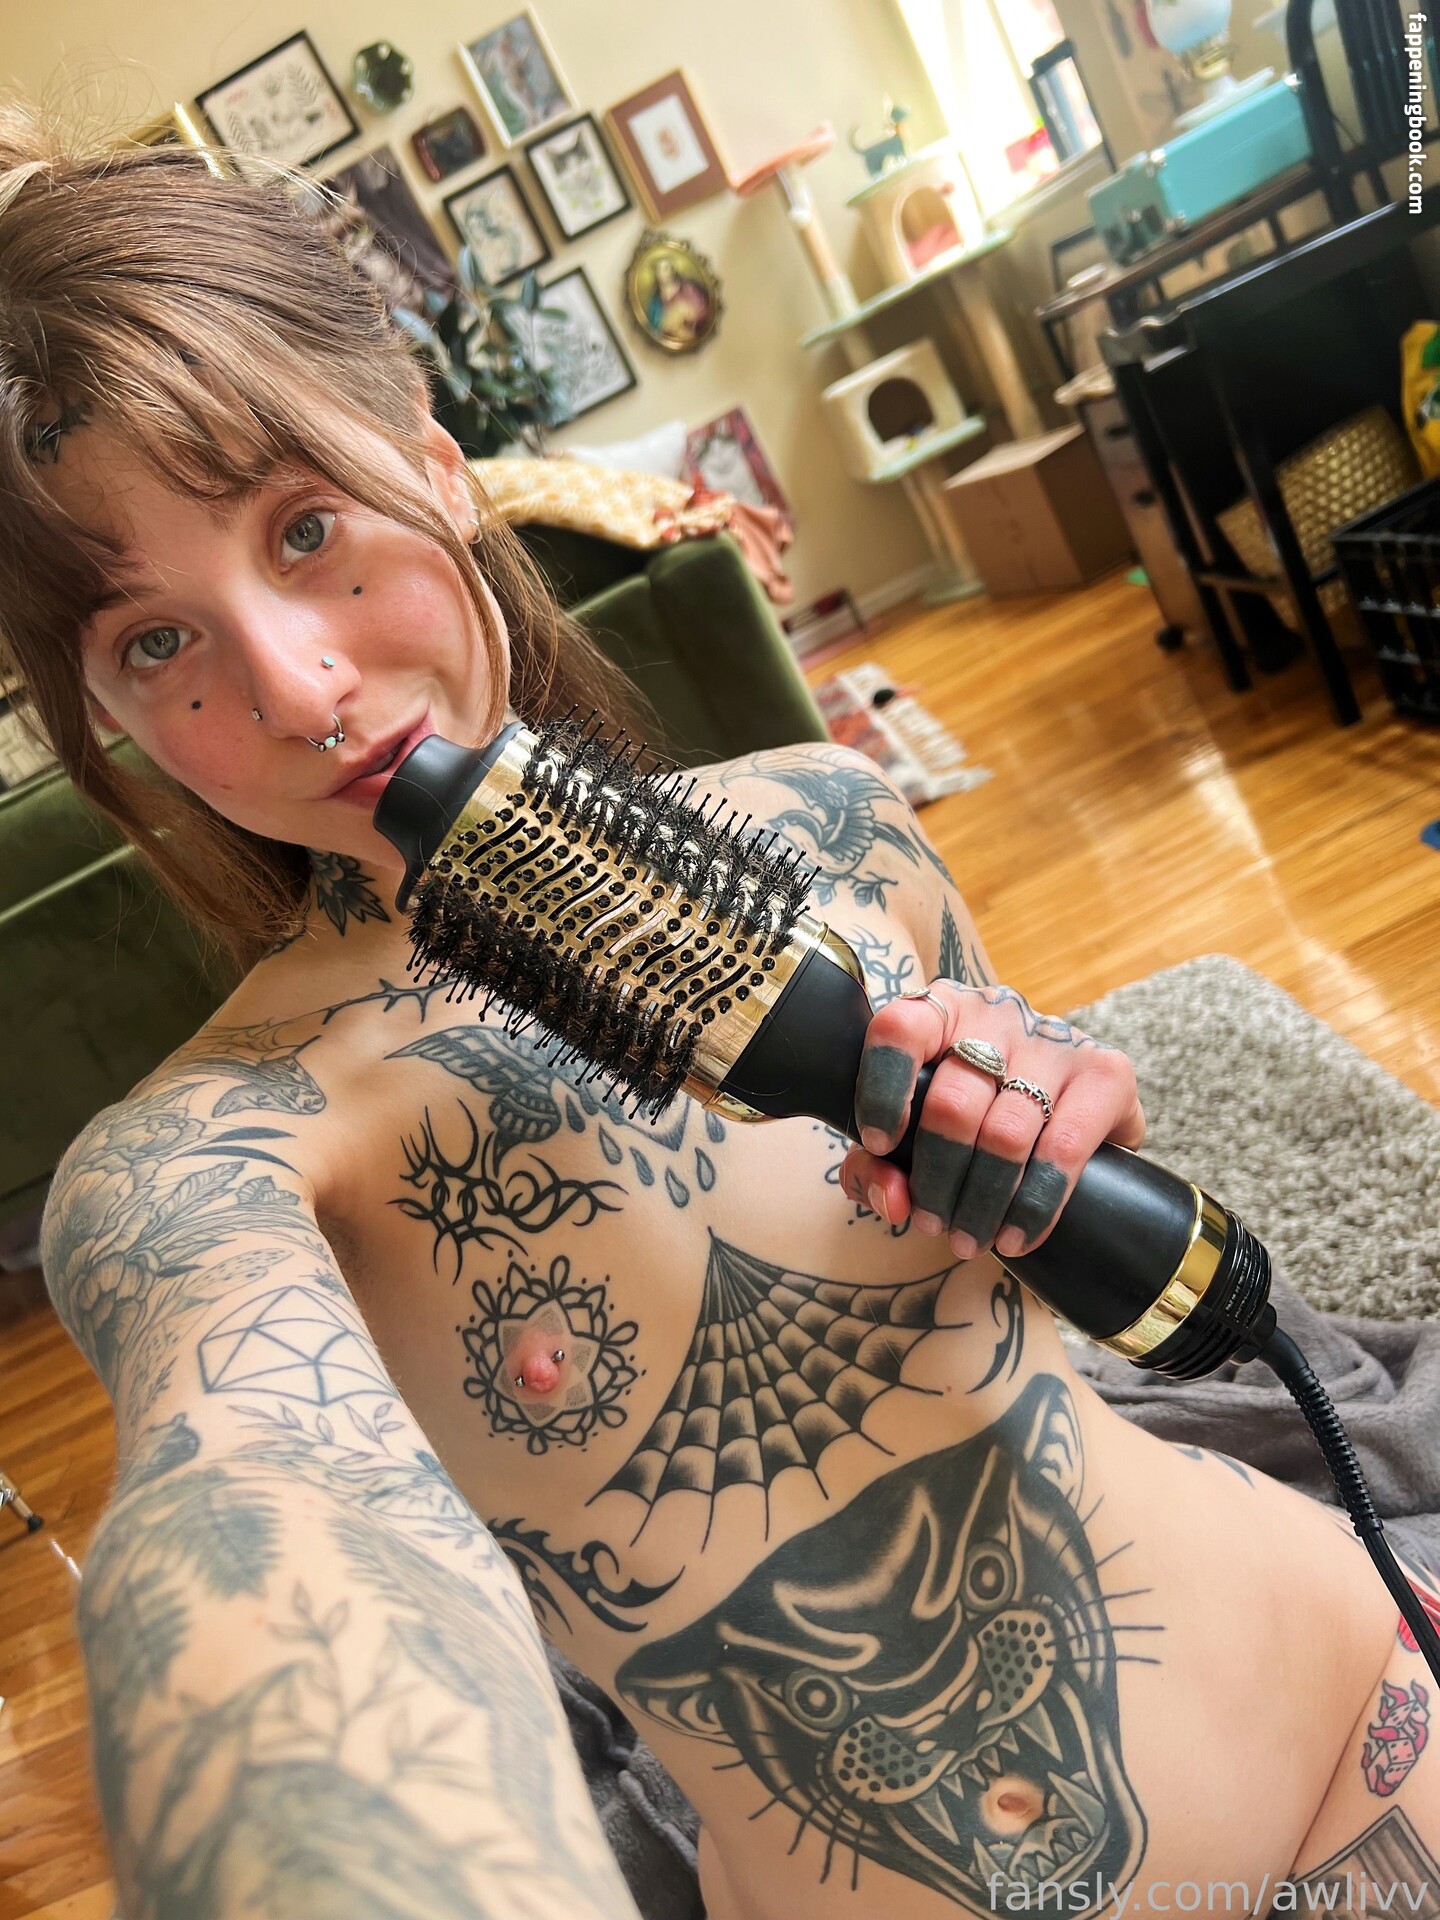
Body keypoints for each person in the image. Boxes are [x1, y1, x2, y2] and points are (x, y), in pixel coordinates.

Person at [5, 109, 1437, 1920]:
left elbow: (1035, 1355)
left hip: (1357, 1711)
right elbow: (257, 1510)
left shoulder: (834, 821)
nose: (297, 688)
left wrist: (1048, 1140)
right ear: (109, 723)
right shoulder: (195, 1170)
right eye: (154, 642)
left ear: (440, 467)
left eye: (306, 528)